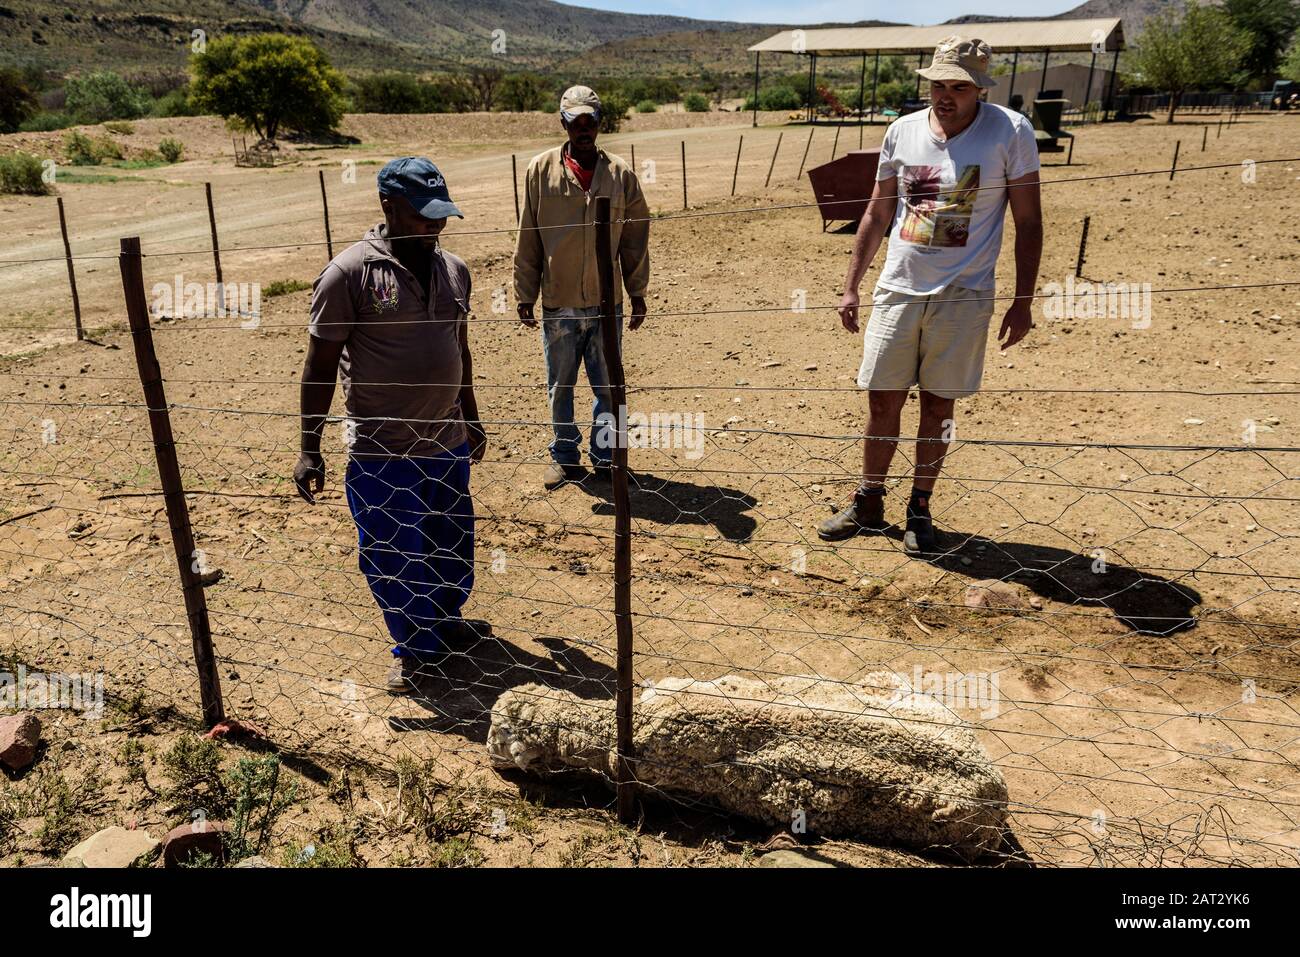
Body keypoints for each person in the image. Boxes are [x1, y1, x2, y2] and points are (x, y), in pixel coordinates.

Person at [818, 36, 1043, 555]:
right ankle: (868, 500)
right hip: (898, 287)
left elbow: (1028, 221)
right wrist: (852, 284)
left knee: (939, 406)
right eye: (938, 84)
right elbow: (877, 212)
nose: (945, 95)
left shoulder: (1009, 132)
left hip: (965, 294)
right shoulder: (902, 131)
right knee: (882, 399)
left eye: (958, 87)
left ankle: (920, 508)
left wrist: (1023, 299)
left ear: (979, 89)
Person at [294, 156, 489, 695]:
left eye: (441, 213)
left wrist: (471, 418)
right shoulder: (349, 274)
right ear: (389, 206)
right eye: (423, 213)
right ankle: (411, 647)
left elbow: (460, 350)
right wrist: (309, 447)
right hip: (384, 450)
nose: (435, 224)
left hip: (446, 442)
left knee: (451, 542)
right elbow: (319, 365)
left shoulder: (455, 270)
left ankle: (444, 625)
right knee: (394, 552)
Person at [514, 85, 651, 489]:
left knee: (609, 387)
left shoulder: (621, 175)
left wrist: (637, 290)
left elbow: (635, 237)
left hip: (607, 303)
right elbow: (529, 235)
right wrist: (524, 292)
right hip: (559, 301)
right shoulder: (539, 171)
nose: (584, 130)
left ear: (600, 123)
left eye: (590, 122)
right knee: (560, 387)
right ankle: (565, 457)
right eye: (576, 122)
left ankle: (607, 457)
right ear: (564, 124)